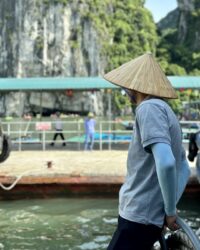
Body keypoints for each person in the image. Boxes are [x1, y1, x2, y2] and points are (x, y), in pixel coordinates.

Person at [103, 52, 191, 250]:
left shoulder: (148, 108)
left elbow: (167, 163)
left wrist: (169, 210)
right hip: (150, 219)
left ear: (135, 86)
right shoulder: (167, 111)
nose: (125, 91)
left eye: (126, 86)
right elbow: (183, 167)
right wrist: (168, 206)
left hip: (137, 217)